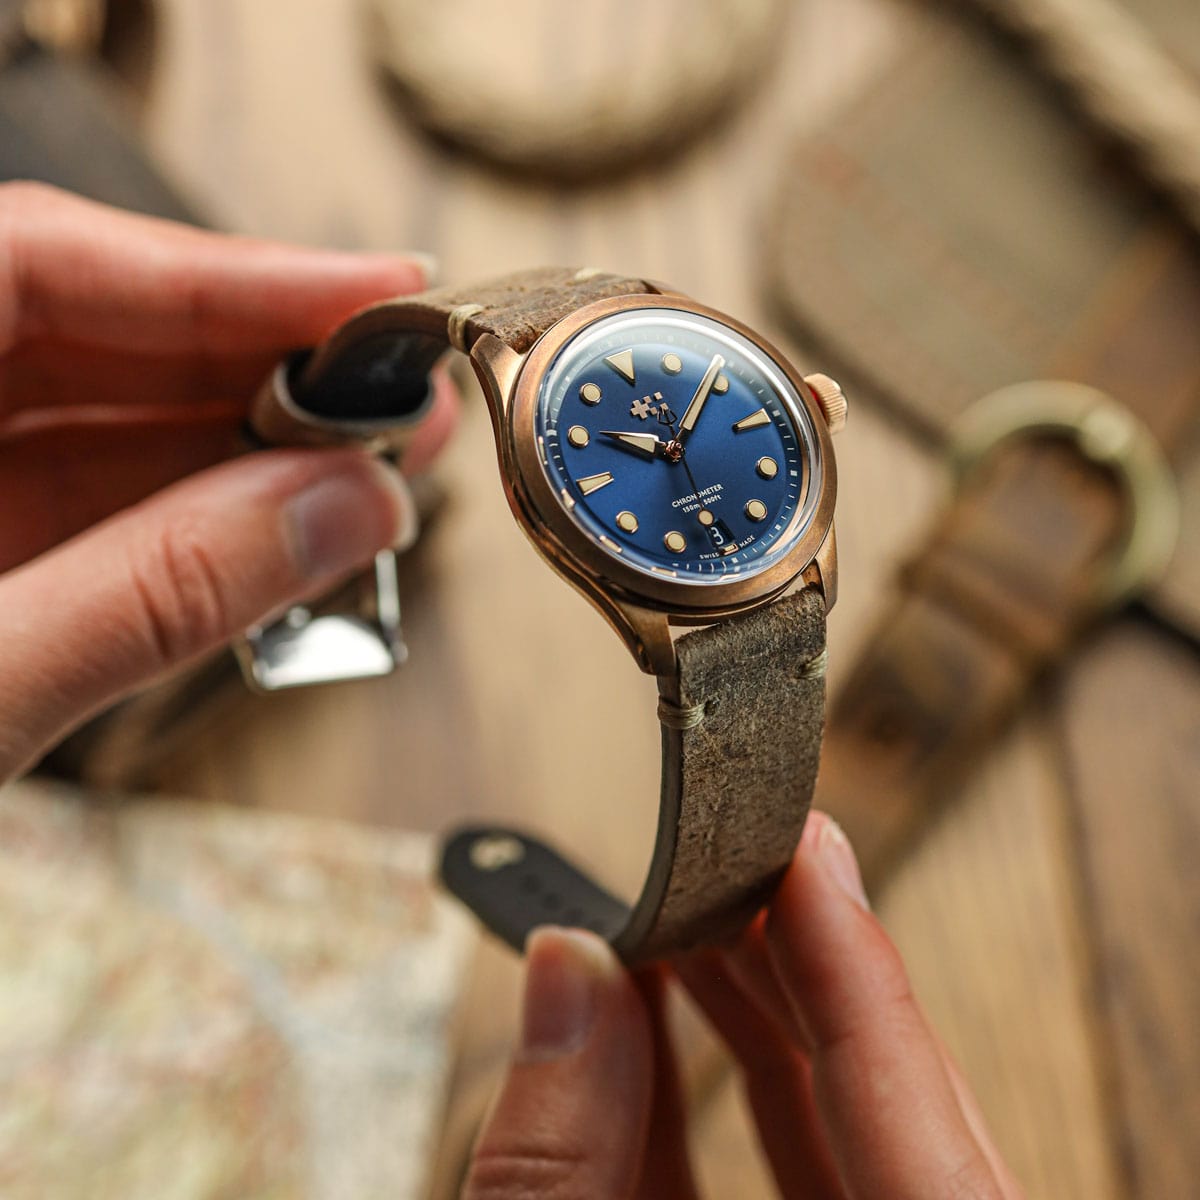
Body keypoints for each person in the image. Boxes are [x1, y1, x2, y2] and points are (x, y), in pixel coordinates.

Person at [0, 184, 1023, 1199]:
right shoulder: (542, 405)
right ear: (545, 504)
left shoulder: (762, 476)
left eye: (689, 432)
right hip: (702, 581)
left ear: (804, 410)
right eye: (652, 448)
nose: (674, 449)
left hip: (765, 572)